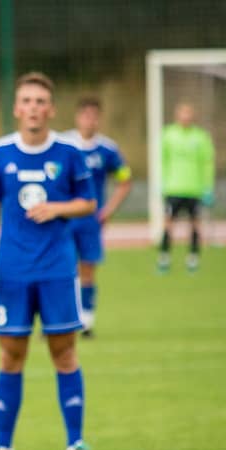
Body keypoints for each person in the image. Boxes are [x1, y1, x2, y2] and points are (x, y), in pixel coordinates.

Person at [0, 72, 96, 450]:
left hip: (57, 269)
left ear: (51, 109)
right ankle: (3, 446)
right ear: (16, 108)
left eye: (40, 102)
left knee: (65, 352)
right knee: (11, 355)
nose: (33, 108)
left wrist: (57, 208)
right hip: (12, 270)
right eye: (26, 101)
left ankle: (75, 442)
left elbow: (88, 202)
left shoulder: (69, 152)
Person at [63, 97, 132, 337]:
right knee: (62, 269)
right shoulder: (64, 145)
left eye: (94, 116)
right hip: (64, 219)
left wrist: (109, 210)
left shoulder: (107, 149)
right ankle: (62, 320)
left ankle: (87, 322)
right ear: (77, 117)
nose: (90, 121)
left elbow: (125, 180)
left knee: (88, 269)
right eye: (86, 115)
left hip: (91, 220)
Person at [159, 102, 215, 272]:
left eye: (188, 114)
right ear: (177, 115)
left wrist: (208, 187)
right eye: (182, 113)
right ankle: (164, 258)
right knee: (168, 223)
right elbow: (162, 161)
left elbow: (207, 162)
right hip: (173, 188)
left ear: (192, 116)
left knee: (195, 224)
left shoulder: (201, 137)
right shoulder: (168, 134)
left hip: (194, 189)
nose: (185, 117)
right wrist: (161, 182)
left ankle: (193, 258)